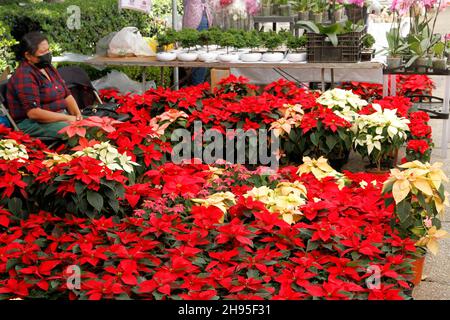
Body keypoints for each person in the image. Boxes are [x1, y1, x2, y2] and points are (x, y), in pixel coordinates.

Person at [6, 31, 82, 138]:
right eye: (42, 52)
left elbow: (66, 94)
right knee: (79, 133)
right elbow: (34, 113)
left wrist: (77, 115)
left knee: (96, 125)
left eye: (48, 50)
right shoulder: (24, 75)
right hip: (32, 124)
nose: (47, 54)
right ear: (28, 55)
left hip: (60, 117)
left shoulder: (47, 67)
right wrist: (67, 118)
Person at [182, 0, 213, 85]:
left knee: (198, 54)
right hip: (196, 18)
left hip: (198, 17)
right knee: (198, 54)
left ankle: (196, 86)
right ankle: (196, 86)